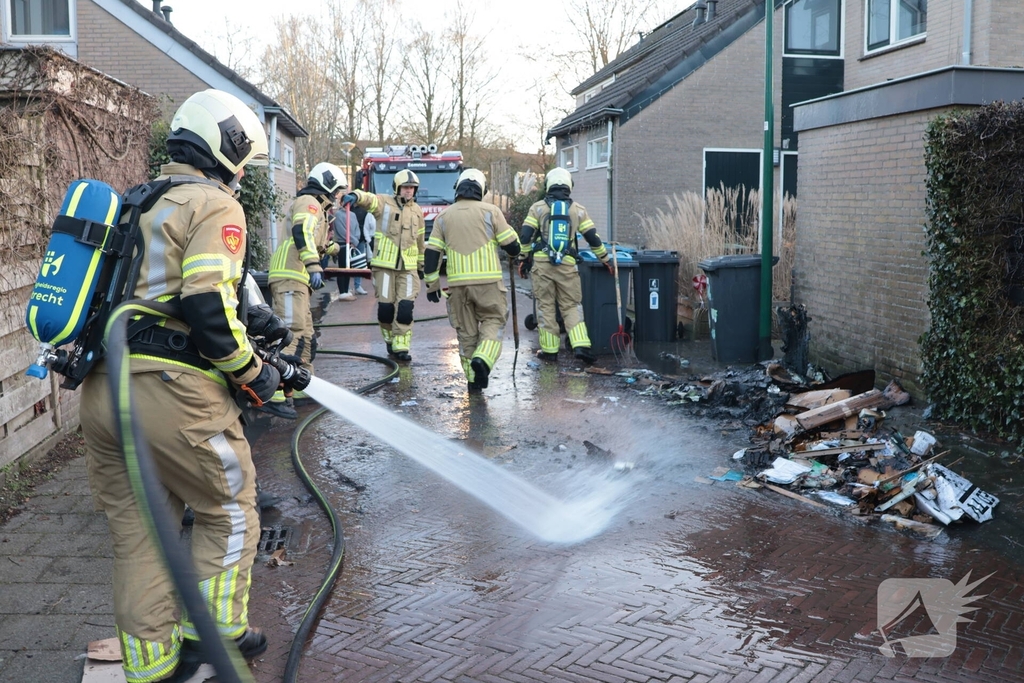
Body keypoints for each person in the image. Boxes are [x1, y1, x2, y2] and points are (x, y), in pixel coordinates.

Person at [80, 89, 280, 683]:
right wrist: (255, 374)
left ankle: (151, 669)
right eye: (242, 159)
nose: (242, 174)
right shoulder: (212, 204)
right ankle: (214, 635)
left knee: (140, 532)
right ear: (227, 147)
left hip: (102, 391)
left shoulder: (137, 201)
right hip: (173, 392)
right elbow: (206, 304)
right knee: (232, 507)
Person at [423, 169, 520, 391]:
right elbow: (512, 246)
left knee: (466, 333)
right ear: (482, 189)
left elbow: (432, 254)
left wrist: (432, 284)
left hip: (457, 287)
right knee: (493, 321)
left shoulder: (443, 217)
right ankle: (483, 360)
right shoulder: (491, 211)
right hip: (488, 284)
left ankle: (473, 382)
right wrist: (517, 248)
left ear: (458, 189)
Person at [265, 162, 346, 418]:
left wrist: (329, 248)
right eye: (337, 191)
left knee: (306, 335)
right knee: (290, 334)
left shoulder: (317, 208)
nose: (338, 197)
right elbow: (301, 231)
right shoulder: (309, 202)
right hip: (290, 276)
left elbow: (310, 237)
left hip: (297, 280)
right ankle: (275, 393)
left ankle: (301, 388)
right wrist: (314, 265)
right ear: (328, 185)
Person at [519, 167, 612, 365]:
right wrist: (606, 260)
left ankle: (550, 351)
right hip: (568, 265)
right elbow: (593, 239)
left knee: (546, 306)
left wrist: (523, 258)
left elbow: (525, 236)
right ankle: (580, 346)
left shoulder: (537, 208)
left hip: (542, 265)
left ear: (548, 186)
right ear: (569, 186)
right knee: (571, 305)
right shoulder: (578, 210)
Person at [341, 169, 425, 361]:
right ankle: (389, 339)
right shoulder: (384, 203)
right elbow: (369, 199)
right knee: (386, 309)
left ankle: (401, 346)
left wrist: (421, 265)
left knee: (405, 308)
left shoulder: (417, 211)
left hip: (408, 268)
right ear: (397, 187)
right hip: (384, 267)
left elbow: (420, 241)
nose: (408, 191)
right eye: (405, 187)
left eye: (412, 188)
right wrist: (355, 195)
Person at [351, 203, 375, 295]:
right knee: (349, 265)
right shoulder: (351, 210)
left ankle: (357, 285)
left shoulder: (365, 211)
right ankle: (345, 289)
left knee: (359, 264)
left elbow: (365, 226)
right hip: (351, 240)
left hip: (360, 240)